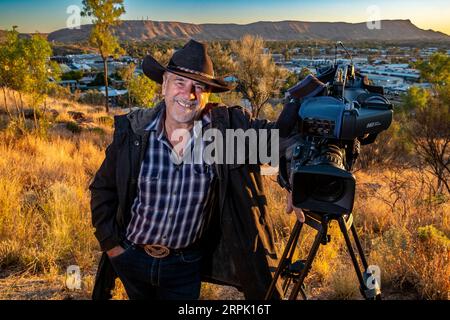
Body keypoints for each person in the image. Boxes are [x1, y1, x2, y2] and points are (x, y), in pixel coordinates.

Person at [89, 39, 304, 300]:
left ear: (208, 95)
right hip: (131, 257)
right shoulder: (134, 132)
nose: (189, 95)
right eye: (180, 82)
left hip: (185, 266)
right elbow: (103, 189)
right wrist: (112, 247)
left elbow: (281, 142)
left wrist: (298, 178)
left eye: (199, 87)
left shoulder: (225, 134)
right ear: (164, 85)